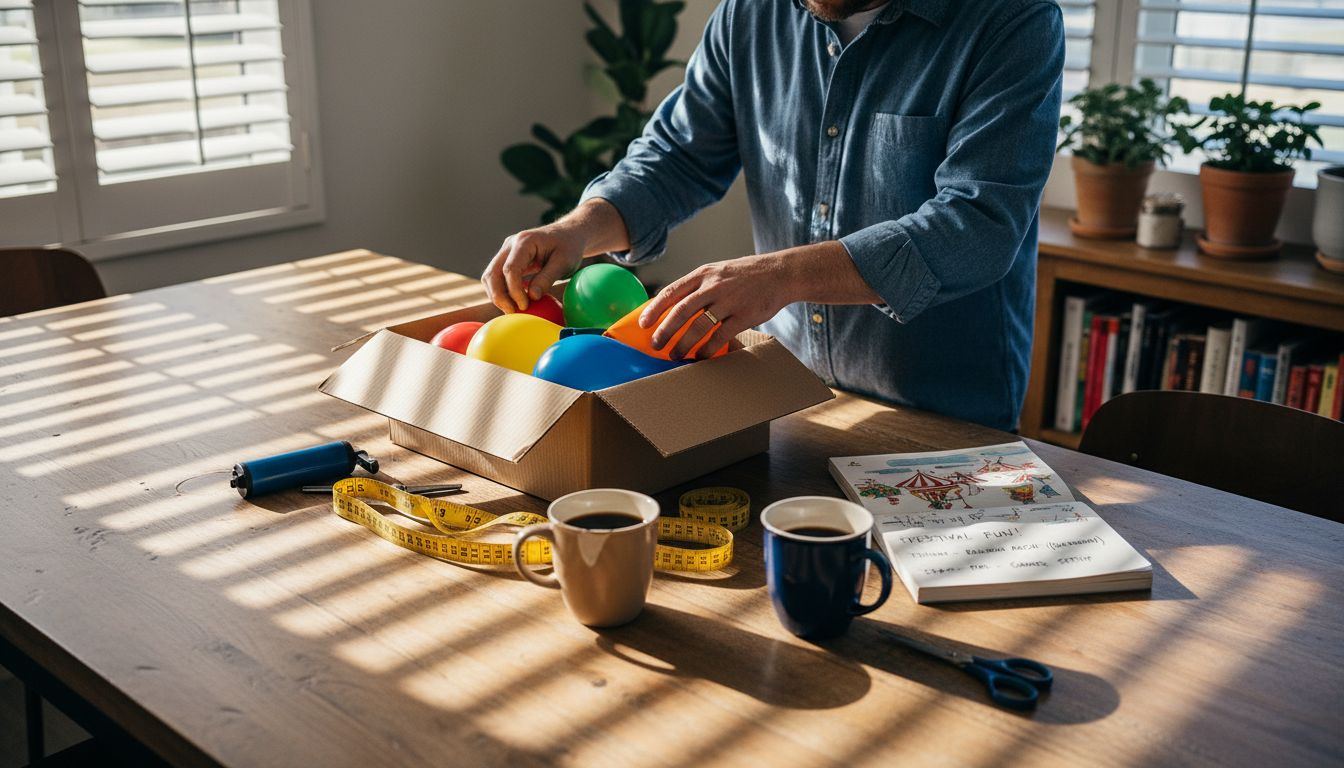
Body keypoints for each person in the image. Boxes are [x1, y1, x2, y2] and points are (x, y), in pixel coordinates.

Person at [482, 0, 1064, 431]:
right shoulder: (748, 14)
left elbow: (979, 226)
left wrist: (780, 275)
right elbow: (677, 157)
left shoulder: (1012, 21)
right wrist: (578, 228)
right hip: (787, 398)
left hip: (947, 419)